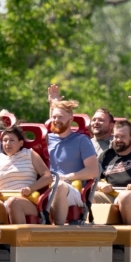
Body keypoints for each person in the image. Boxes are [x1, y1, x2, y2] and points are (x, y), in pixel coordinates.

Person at [0, 126, 53, 224]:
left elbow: (48, 177)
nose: (7, 143)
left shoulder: (29, 154)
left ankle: (18, 233)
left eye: (12, 140)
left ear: (21, 143)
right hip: (2, 199)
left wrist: (30, 188)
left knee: (13, 202)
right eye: (5, 140)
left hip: (26, 200)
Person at [46, 96, 100, 225]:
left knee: (59, 186)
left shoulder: (81, 140)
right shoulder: (46, 140)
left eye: (60, 117)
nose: (56, 120)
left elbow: (93, 171)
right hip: (46, 186)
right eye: (54, 117)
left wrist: (67, 177)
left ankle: (58, 229)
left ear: (71, 119)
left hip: (72, 188)